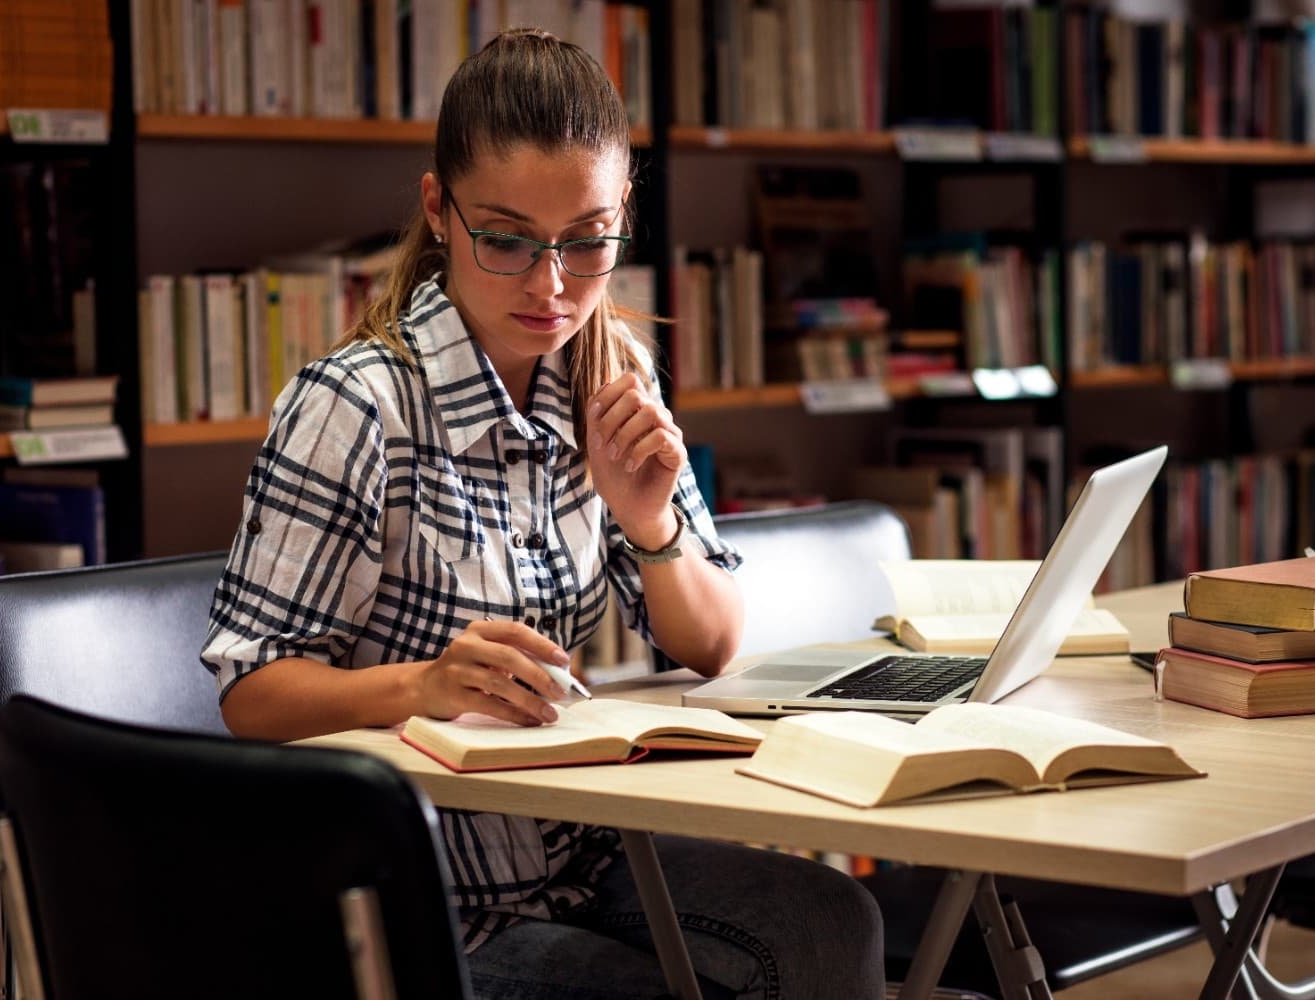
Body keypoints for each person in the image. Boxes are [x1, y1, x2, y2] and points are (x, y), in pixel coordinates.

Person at [201, 28, 884, 1000]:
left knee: (826, 919)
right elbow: (251, 693)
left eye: (587, 240)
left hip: (581, 858)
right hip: (418, 895)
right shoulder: (357, 407)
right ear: (439, 209)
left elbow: (714, 643)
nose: (552, 284)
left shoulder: (611, 374)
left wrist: (649, 524)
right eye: (510, 238)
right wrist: (422, 685)